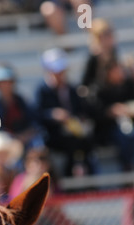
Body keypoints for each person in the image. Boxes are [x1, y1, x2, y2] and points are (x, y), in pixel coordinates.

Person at [34, 48, 98, 177]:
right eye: (55, 71)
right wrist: (53, 115)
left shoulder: (72, 89)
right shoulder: (42, 91)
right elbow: (37, 116)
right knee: (73, 144)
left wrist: (80, 119)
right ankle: (71, 176)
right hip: (53, 134)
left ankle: (87, 175)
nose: (59, 74)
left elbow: (80, 111)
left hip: (73, 133)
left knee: (87, 140)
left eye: (61, 71)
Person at [0, 62, 44, 149]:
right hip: (5, 141)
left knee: (38, 141)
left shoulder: (20, 100)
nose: (6, 85)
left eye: (8, 82)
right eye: (2, 82)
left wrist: (27, 133)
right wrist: (14, 137)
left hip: (23, 138)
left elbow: (33, 120)